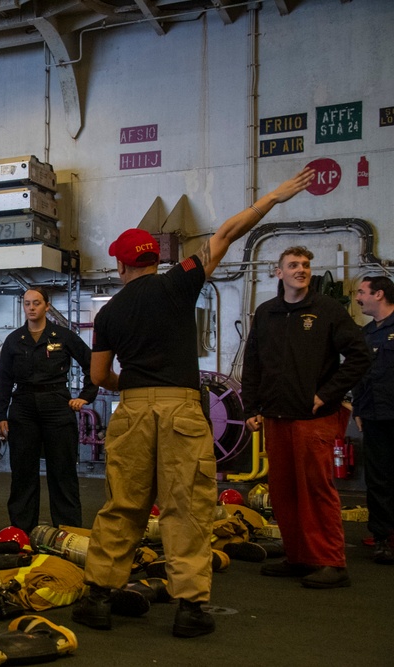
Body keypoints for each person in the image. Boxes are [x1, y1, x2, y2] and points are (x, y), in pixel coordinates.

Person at [74, 167, 316, 639]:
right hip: (183, 409)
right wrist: (273, 198)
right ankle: (189, 609)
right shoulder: (177, 282)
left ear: (121, 267)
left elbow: (99, 376)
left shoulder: (110, 311)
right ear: (155, 258)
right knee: (186, 506)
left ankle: (99, 598)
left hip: (135, 411)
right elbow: (226, 233)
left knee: (124, 504)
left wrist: (133, 387)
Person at [243, 246, 371, 589]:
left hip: (314, 418)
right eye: (294, 265)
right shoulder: (266, 312)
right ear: (279, 272)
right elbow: (253, 363)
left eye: (306, 265)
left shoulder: (327, 310)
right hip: (275, 416)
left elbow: (359, 356)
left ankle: (332, 561)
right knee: (283, 491)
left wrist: (326, 394)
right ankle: (299, 557)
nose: (301, 269)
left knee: (316, 489)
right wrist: (251, 408)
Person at [0, 288, 97, 532]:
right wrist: (1, 415)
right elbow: (4, 380)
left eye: (36, 303)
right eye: (27, 303)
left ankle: (68, 532)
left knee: (62, 472)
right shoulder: (14, 340)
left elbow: (91, 364)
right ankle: (21, 531)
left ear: (47, 306)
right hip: (23, 407)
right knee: (23, 473)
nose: (31, 307)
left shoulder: (63, 336)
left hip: (56, 405)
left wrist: (85, 396)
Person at [353, 276, 394, 565]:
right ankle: (382, 537)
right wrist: (357, 408)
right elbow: (360, 375)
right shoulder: (367, 334)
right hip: (374, 416)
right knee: (377, 478)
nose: (357, 297)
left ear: (379, 294)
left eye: (361, 292)